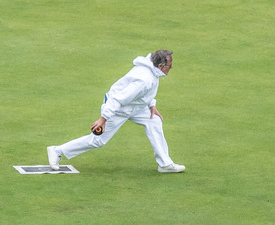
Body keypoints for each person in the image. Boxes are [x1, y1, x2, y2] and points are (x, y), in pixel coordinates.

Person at [47, 50, 185, 173]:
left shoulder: (152, 72)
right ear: (160, 66)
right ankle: (57, 150)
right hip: (119, 109)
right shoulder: (144, 79)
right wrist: (103, 119)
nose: (171, 67)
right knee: (98, 140)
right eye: (169, 65)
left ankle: (165, 164)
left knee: (154, 121)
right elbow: (118, 99)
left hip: (135, 107)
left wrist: (151, 106)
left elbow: (146, 94)